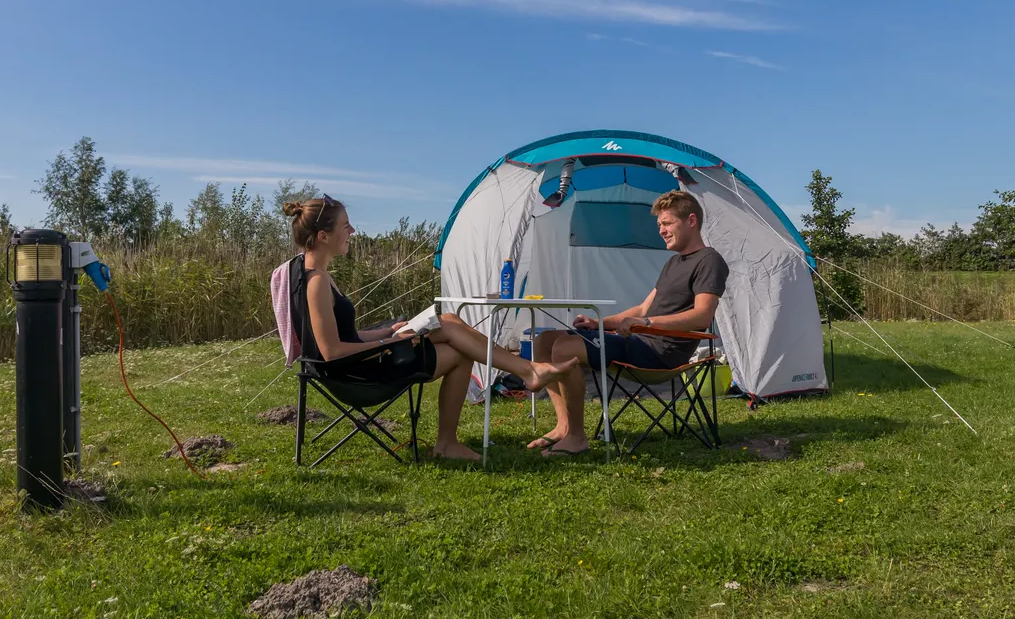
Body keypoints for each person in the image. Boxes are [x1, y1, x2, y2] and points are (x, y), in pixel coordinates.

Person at [287, 196, 561, 461]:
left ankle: (526, 374)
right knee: (460, 348)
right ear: (323, 236)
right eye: (345, 226)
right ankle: (521, 377)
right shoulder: (317, 283)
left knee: (450, 321)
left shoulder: (312, 275)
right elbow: (332, 351)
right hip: (357, 375)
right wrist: (392, 344)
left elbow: (347, 335)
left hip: (360, 362)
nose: (352, 231)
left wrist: (388, 331)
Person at [524, 189, 727, 456]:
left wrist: (646, 322)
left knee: (564, 347)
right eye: (659, 225)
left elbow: (702, 315)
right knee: (544, 340)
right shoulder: (673, 264)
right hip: (639, 340)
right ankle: (563, 426)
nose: (661, 231)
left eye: (667, 223)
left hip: (660, 353)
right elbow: (643, 307)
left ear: (691, 221)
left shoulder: (709, 260)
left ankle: (576, 437)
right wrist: (599, 323)